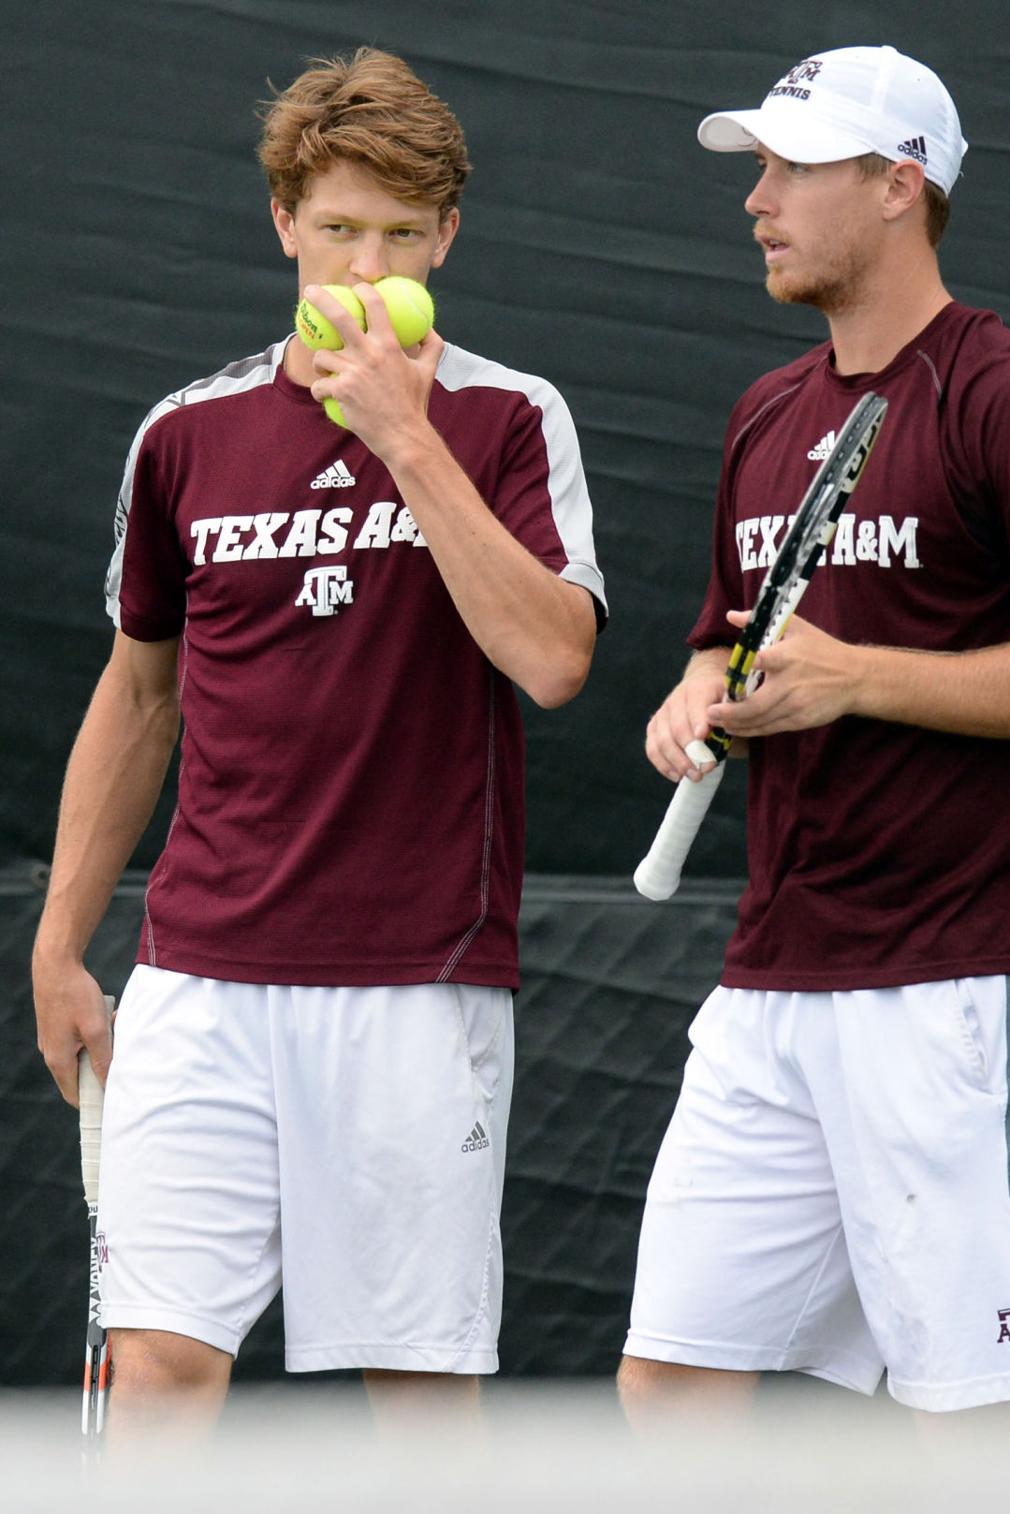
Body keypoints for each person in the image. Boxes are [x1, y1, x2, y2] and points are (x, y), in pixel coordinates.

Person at [32, 46, 605, 1433]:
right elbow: (139, 694)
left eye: (401, 235)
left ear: (447, 239)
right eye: (338, 228)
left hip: (419, 981)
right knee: (157, 1372)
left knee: (418, 1397)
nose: (365, 263)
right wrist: (59, 941)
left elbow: (553, 658)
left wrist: (409, 439)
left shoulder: (508, 417)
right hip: (200, 982)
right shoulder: (188, 432)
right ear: (283, 220)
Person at [620, 44, 1010, 1416]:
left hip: (964, 983)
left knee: (980, 1426)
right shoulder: (764, 415)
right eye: (759, 171)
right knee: (669, 1387)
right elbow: (732, 630)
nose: (758, 201)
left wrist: (861, 678)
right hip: (775, 983)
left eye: (793, 169)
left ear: (897, 184)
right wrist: (696, 691)